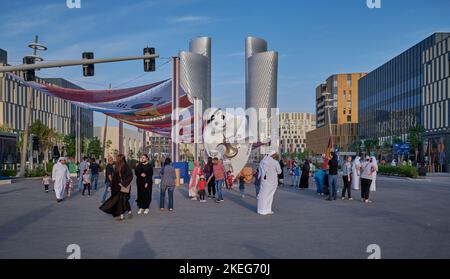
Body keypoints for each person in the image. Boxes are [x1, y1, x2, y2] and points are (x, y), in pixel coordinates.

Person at [99, 154, 134, 220]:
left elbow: (130, 176)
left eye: (117, 158)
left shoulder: (126, 166)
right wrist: (111, 186)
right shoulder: (116, 167)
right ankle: (122, 216)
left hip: (125, 186)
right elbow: (114, 177)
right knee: (119, 201)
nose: (116, 160)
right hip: (117, 187)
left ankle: (129, 212)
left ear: (121, 159)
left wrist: (123, 183)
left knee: (125, 200)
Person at [257, 150, 282, 215]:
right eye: (275, 154)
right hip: (272, 181)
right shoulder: (275, 162)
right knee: (269, 196)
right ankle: (267, 210)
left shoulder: (262, 161)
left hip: (263, 181)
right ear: (273, 155)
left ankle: (261, 210)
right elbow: (279, 172)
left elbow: (259, 172)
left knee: (263, 195)